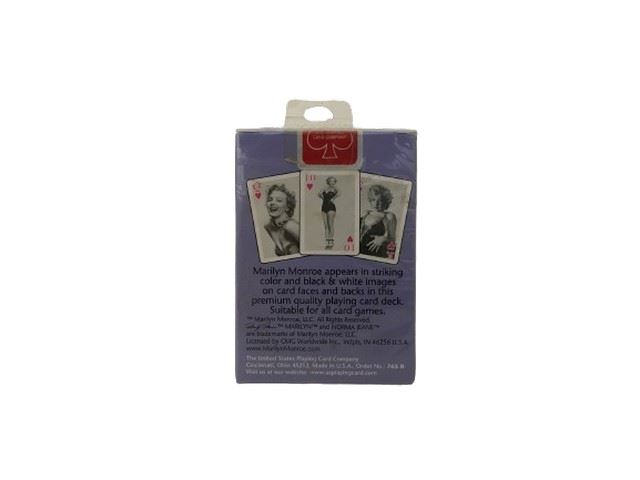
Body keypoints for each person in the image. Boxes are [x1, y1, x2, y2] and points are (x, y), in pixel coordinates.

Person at [360, 184, 397, 258]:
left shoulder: (389, 216)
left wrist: (383, 239)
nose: (376, 204)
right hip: (360, 251)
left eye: (380, 201)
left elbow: (392, 240)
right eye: (373, 200)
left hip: (375, 253)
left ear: (386, 201)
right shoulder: (365, 213)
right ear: (370, 200)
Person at [264, 184, 299, 256]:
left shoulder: (291, 226)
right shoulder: (268, 227)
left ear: (287, 207)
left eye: (279, 200)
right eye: (270, 200)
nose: (272, 203)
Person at [318, 176, 339, 249]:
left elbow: (340, 193)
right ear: (328, 182)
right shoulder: (325, 188)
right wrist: (322, 197)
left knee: (330, 225)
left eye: (333, 181)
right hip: (324, 207)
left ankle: (331, 242)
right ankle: (327, 243)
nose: (332, 182)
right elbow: (319, 193)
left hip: (331, 207)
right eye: (330, 181)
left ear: (335, 182)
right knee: (326, 226)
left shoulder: (335, 189)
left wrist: (333, 198)